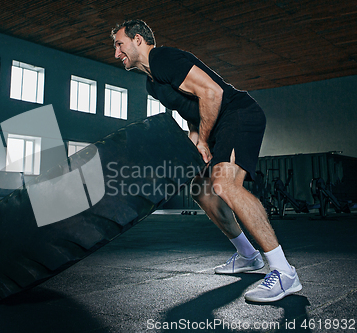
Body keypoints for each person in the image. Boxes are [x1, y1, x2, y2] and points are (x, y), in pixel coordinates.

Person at [111, 19, 302, 302]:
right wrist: (196, 139)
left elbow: (213, 93)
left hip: (238, 114)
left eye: (119, 44)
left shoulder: (163, 58)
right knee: (200, 188)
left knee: (226, 185)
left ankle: (284, 273)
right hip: (217, 125)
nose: (116, 54)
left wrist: (203, 136)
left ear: (138, 39)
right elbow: (192, 109)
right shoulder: (152, 84)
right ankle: (248, 256)